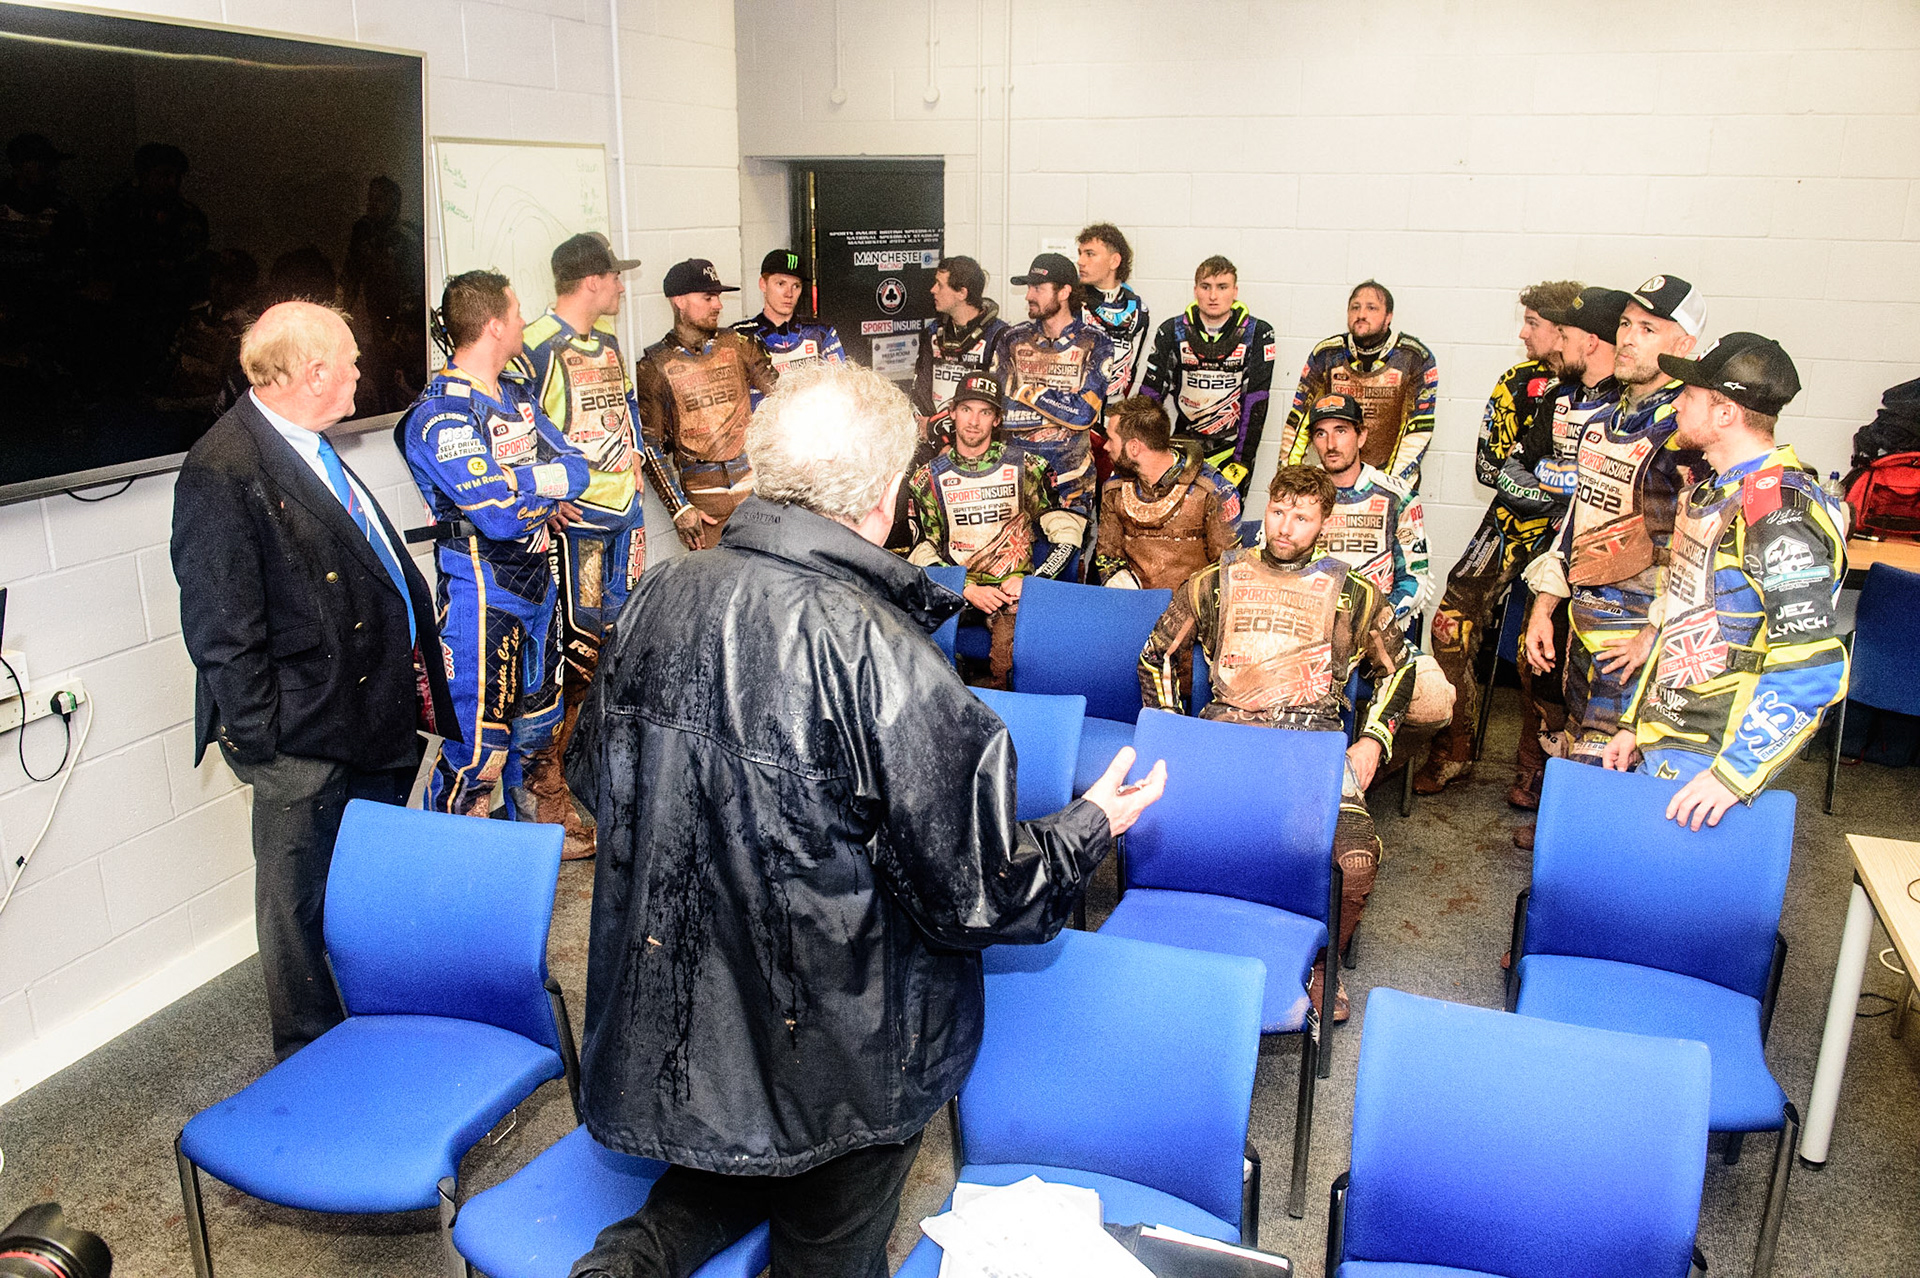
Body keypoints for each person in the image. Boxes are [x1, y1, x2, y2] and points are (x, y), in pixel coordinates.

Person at [561, 362, 1165, 1278]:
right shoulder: (883, 655)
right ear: (885, 500)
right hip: (845, 1048)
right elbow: (981, 894)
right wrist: (1092, 823)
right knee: (828, 1242)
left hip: (693, 1015)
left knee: (724, 1165)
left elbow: (595, 782)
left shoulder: (657, 596)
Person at [172, 301, 457, 1060]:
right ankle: (312, 1060)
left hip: (365, 717)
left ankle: (373, 1023)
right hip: (304, 738)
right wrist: (270, 747)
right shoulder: (222, 470)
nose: (365, 371)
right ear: (312, 372)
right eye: (354, 361)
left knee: (361, 888)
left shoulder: (307, 445)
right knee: (295, 909)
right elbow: (221, 630)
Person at [1139, 464, 1413, 1021]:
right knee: (1168, 828)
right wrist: (1173, 732)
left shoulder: (1354, 594)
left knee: (1355, 861)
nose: (1286, 527)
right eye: (1281, 512)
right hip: (1226, 736)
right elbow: (1156, 655)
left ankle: (1319, 965)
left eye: (1303, 518)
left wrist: (1373, 740)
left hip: (1311, 747)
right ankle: (1196, 947)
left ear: (1324, 523)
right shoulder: (1218, 578)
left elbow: (1400, 670)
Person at [1604, 333, 1849, 829]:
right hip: (1667, 734)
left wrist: (1733, 775)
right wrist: (1636, 723)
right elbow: (1685, 617)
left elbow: (1812, 665)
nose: (1674, 402)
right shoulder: (1717, 491)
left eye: (1688, 395)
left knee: (1670, 902)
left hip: (1712, 759)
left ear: (1725, 414)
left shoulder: (1779, 512)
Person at [396, 271, 590, 822]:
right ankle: (460, 879)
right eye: (517, 309)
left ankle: (532, 847)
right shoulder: (442, 414)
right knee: (477, 754)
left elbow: (578, 469)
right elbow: (499, 518)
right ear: (494, 324)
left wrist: (523, 483)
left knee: (538, 729)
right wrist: (540, 493)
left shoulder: (515, 394)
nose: (525, 319)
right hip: (482, 598)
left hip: (539, 587)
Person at [520, 232, 675, 858]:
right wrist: (551, 485)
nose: (619, 287)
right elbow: (515, 428)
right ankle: (547, 790)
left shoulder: (607, 344)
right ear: (592, 281)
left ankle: (599, 784)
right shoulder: (531, 344)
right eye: (615, 277)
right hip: (577, 524)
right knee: (573, 653)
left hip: (625, 516)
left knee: (620, 646)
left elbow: (624, 416)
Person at [1520, 275, 1708, 781]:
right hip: (1585, 625)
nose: (1628, 338)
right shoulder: (1605, 419)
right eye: (1626, 324)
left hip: (1636, 642)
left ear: (1684, 346)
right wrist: (1545, 606)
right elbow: (1576, 522)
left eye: (1648, 329)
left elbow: (1697, 551)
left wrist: (1655, 631)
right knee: (1579, 746)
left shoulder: (1686, 431)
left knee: (1606, 767)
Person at [1413, 279, 1581, 796]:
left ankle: (1538, 768)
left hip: (1568, 536)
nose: (1523, 334)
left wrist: (1550, 486)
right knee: (1449, 624)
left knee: (1547, 649)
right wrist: (1552, 487)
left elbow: (1594, 488)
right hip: (1508, 522)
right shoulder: (1516, 381)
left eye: (1533, 323)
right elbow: (1492, 468)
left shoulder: (1605, 393)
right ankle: (1452, 747)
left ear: (1564, 332)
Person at [905, 373, 1085, 688]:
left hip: (1015, 599)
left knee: (1015, 669)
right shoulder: (926, 479)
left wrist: (1034, 581)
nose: (974, 421)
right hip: (956, 598)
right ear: (951, 413)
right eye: (966, 409)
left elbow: (1068, 534)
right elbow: (920, 549)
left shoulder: (1027, 468)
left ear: (997, 419)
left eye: (985, 412)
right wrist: (963, 588)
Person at [634, 258, 778, 549]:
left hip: (755, 493)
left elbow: (785, 399)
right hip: (705, 502)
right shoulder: (655, 364)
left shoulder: (739, 344)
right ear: (679, 301)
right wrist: (680, 508)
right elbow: (649, 443)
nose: (718, 305)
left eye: (718, 297)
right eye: (708, 297)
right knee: (716, 588)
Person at [991, 252, 1114, 522]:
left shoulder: (1095, 343)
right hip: (1014, 478)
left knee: (1068, 562)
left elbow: (1083, 414)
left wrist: (1026, 391)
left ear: (1064, 292)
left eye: (1038, 288)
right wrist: (1059, 408)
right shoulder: (1013, 339)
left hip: (1072, 483)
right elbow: (999, 411)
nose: (1028, 296)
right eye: (1028, 287)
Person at [1282, 280, 1438, 491]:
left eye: (1371, 308)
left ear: (1389, 316)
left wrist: (1389, 487)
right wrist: (1288, 479)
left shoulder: (1415, 357)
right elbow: (1299, 419)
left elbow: (1417, 429)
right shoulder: (1327, 354)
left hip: (1393, 480)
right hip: (1334, 479)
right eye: (1355, 307)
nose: (1361, 314)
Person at [1140, 254, 1276, 496]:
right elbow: (1149, 398)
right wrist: (1141, 452)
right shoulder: (1172, 331)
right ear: (1195, 290)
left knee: (1225, 526)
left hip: (1232, 448)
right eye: (1206, 287)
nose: (1213, 296)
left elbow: (1256, 403)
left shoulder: (1258, 333)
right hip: (1183, 446)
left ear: (1235, 291)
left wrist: (1242, 460)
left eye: (1222, 287)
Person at [1303, 392, 1431, 629]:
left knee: (1427, 668)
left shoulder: (1397, 496)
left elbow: (1415, 578)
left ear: (1361, 436)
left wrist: (1380, 618)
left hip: (1374, 630)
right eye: (1321, 434)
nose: (1331, 444)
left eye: (1340, 431)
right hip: (1308, 625)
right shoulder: (1296, 493)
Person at [1092, 394, 1242, 591]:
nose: (1105, 446)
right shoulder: (1114, 490)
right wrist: (1119, 580)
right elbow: (1108, 556)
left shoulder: (1213, 491)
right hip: (1135, 606)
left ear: (1134, 447)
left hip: (1193, 610)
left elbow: (1228, 571)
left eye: (1111, 439)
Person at [911, 254, 1009, 436]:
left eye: (940, 285)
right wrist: (934, 431)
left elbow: (997, 401)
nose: (933, 290)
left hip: (976, 438)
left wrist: (938, 425)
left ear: (962, 293)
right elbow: (921, 390)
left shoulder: (999, 336)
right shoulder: (933, 331)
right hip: (933, 436)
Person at [731, 249, 846, 402]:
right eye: (781, 284)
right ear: (763, 284)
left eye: (796, 286)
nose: (789, 294)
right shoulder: (740, 336)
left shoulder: (821, 332)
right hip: (758, 424)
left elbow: (841, 387)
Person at [1075, 222, 1150, 401]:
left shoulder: (1139, 310)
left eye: (1090, 254)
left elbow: (1132, 370)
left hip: (1113, 414)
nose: (1080, 261)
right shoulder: (1071, 302)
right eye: (1080, 253)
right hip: (1073, 412)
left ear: (1114, 261)